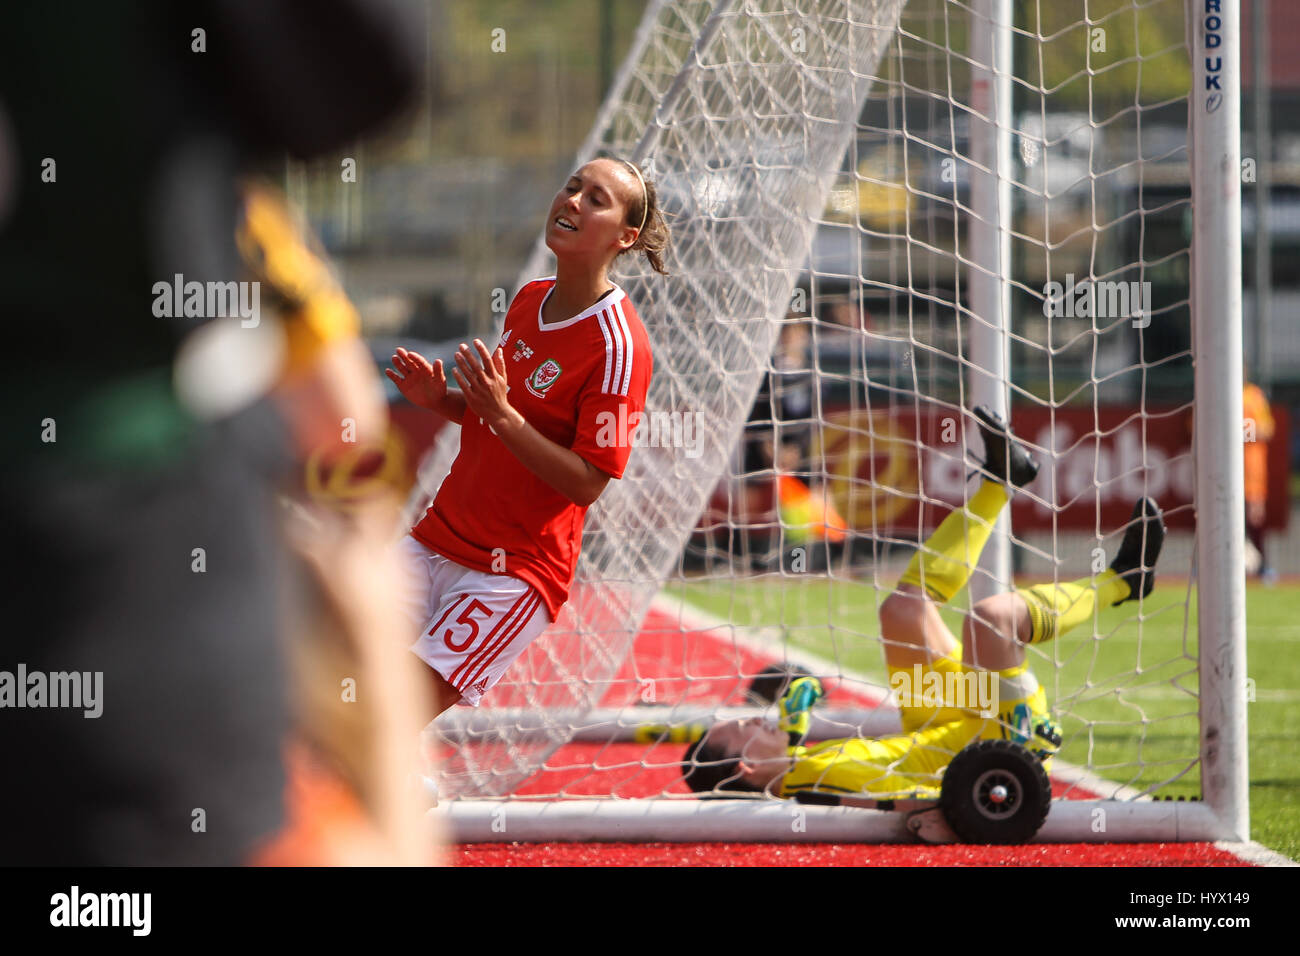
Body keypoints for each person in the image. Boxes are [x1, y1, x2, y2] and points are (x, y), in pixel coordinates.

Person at [682, 406, 1166, 800]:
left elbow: (793, 717)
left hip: (946, 721)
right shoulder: (815, 785)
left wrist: (794, 712)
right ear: (746, 766)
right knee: (992, 620)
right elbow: (905, 800)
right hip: (1000, 743)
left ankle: (1000, 482)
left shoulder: (796, 762)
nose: (754, 715)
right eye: (743, 725)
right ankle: (1123, 581)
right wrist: (950, 809)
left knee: (902, 609)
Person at [387, 157, 671, 716]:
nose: (573, 201)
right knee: (325, 668)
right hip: (434, 539)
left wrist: (501, 415)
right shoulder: (528, 298)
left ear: (625, 236)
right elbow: (494, 418)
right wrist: (439, 401)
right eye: (572, 187)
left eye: (596, 199)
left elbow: (589, 482)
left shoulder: (620, 348)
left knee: (392, 716)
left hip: (511, 574)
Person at [1242, 376, 1276, 582]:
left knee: (1255, 520)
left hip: (1251, 473)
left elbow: (1267, 429)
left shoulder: (1254, 396)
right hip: (1219, 474)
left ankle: (1262, 566)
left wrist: (1241, 432)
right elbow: (1194, 428)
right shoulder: (1210, 392)